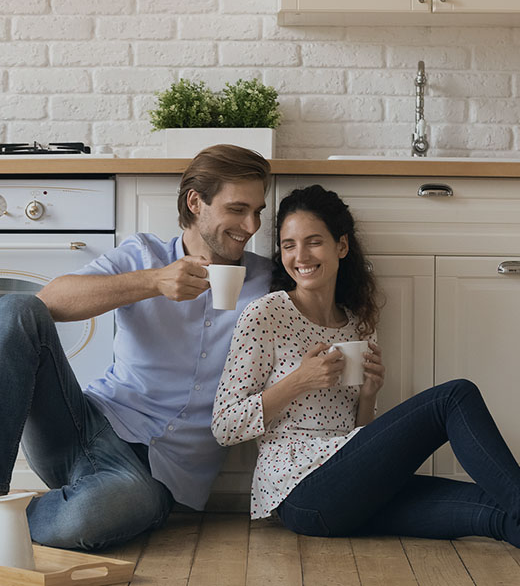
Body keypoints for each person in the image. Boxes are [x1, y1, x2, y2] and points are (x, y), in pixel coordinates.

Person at [212, 184, 520, 546]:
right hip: (301, 491)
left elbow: (357, 435)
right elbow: (224, 425)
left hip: (351, 488)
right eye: (289, 244)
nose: (300, 255)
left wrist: (368, 395)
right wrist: (299, 380)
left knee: (500, 514)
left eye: (314, 241)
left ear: (341, 246)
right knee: (454, 397)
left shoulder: (359, 324)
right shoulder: (267, 314)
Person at [0, 144, 271, 551]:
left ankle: (18, 521)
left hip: (157, 477)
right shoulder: (144, 256)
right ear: (196, 202)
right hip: (85, 425)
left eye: (258, 211)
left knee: (86, 518)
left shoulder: (269, 282)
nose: (251, 225)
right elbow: (49, 302)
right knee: (14, 308)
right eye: (237, 209)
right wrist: (153, 282)